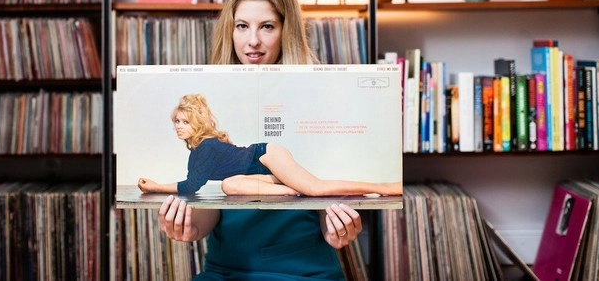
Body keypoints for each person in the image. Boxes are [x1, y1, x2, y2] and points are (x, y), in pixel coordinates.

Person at [150, 0, 381, 280]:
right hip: (228, 271)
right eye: (242, 26)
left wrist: (337, 229)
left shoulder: (320, 100)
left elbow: (324, 204)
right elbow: (209, 207)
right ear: (230, 30)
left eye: (267, 26)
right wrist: (186, 227)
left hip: (306, 271)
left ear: (286, 30)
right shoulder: (209, 104)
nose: (253, 41)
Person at [138, 93, 402, 196]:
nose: (178, 126)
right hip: (260, 172)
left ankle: (382, 188)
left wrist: (156, 187)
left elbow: (191, 187)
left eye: (185, 121)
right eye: (176, 121)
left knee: (316, 188)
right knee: (229, 185)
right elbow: (192, 183)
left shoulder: (205, 147)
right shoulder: (198, 151)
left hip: (265, 156)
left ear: (197, 123)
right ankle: (292, 189)